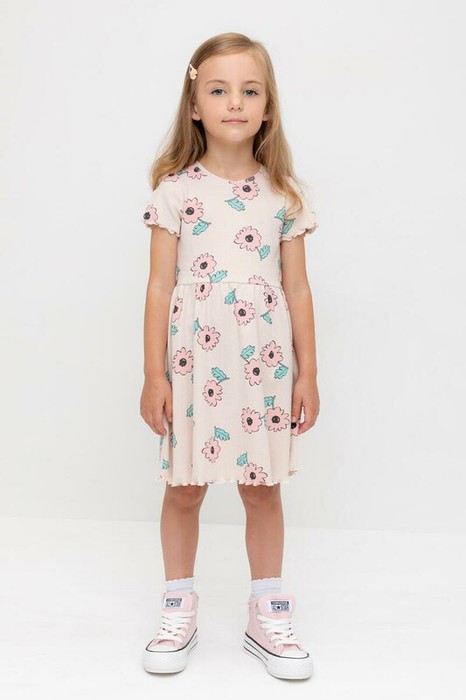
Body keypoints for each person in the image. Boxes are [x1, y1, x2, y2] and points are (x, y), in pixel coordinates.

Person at [139, 32, 320, 680]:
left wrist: (308, 374)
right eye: (219, 90)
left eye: (249, 91)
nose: (235, 102)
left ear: (267, 108)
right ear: (195, 105)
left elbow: (297, 290)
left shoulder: (284, 195)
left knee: (262, 490)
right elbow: (159, 287)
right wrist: (153, 375)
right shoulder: (174, 191)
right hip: (194, 367)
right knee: (183, 488)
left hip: (263, 367)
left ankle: (267, 609)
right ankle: (177, 605)